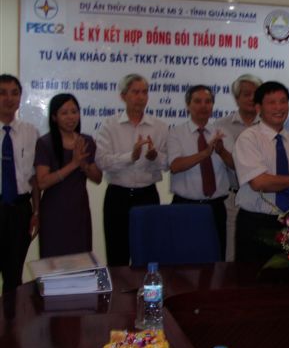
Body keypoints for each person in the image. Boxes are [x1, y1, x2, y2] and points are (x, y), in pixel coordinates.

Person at [233, 81, 289, 263]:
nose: (279, 107)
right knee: (251, 278)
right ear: (258, 108)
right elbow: (259, 182)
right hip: (256, 223)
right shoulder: (248, 138)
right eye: (272, 102)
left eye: (283, 101)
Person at [96, 74, 168, 266]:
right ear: (123, 96)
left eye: (145, 92)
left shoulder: (159, 127)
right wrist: (131, 157)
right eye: (135, 92)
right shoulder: (109, 126)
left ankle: (148, 286)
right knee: (117, 256)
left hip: (147, 195)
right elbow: (102, 161)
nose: (141, 97)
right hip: (118, 196)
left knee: (148, 254)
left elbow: (168, 163)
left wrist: (154, 156)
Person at [168, 85, 232, 259]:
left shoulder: (222, 133)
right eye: (197, 101)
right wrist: (205, 153)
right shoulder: (176, 133)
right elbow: (175, 166)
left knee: (216, 258)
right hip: (185, 207)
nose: (203, 106)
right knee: (182, 259)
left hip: (215, 207)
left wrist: (221, 151)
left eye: (208, 101)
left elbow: (235, 166)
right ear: (188, 105)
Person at [34, 93, 102, 258]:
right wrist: (73, 164)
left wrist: (84, 165)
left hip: (79, 211)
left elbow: (98, 178)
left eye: (74, 111)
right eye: (64, 113)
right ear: (54, 117)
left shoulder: (86, 141)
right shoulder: (45, 143)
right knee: (53, 262)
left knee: (81, 261)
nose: (71, 117)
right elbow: (42, 182)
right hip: (54, 212)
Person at [215, 74, 263, 261]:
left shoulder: (269, 125)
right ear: (236, 98)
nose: (251, 98)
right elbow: (234, 164)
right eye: (246, 94)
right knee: (232, 254)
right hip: (234, 198)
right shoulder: (221, 126)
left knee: (261, 253)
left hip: (264, 198)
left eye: (255, 94)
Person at [0, 74, 39, 294]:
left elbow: (34, 178)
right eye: (2, 93)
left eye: (14, 93)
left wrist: (36, 211)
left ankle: (10, 316)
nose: (9, 98)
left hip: (20, 210)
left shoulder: (30, 132)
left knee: (13, 275)